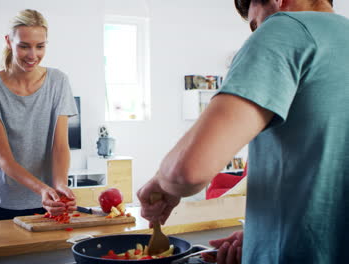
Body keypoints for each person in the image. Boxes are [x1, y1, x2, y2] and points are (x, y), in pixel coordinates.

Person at [137, 0, 349, 263]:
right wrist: (262, 236)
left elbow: (187, 171)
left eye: (254, 24)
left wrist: (160, 182)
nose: (256, 32)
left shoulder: (285, 28)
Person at [0, 9, 78, 222]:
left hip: (46, 202)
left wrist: (59, 186)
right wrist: (42, 189)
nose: (32, 55)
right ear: (9, 42)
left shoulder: (58, 81)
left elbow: (60, 146)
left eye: (40, 46)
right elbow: (4, 158)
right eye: (24, 46)